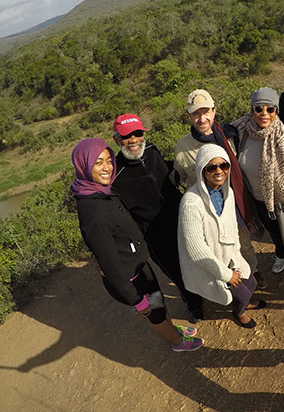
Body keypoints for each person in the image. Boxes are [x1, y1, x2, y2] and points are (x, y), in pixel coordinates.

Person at [71, 138, 203, 352]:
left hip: (137, 265)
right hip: (131, 277)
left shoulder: (98, 191)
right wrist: (135, 299)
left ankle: (173, 329)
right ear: (84, 166)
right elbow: (109, 264)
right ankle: (177, 342)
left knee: (159, 301)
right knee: (154, 311)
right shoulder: (92, 210)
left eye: (108, 160)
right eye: (98, 163)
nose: (106, 168)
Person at [112, 113, 205, 323]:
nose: (134, 140)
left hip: (182, 216)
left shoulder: (152, 151)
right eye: (127, 136)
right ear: (117, 140)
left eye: (138, 133)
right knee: (177, 270)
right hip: (156, 233)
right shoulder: (116, 175)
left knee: (199, 255)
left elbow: (166, 173)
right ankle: (194, 304)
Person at [173, 89, 264, 290]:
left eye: (206, 112)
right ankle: (226, 282)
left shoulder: (229, 135)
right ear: (188, 116)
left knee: (243, 241)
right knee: (218, 247)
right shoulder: (183, 147)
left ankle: (252, 272)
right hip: (208, 208)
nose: (202, 118)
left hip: (234, 199)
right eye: (196, 113)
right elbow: (180, 177)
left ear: (214, 111)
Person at [178, 144, 265, 328]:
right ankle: (239, 311)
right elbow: (196, 250)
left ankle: (244, 303)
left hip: (230, 257)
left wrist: (237, 258)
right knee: (242, 293)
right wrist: (226, 275)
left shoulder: (228, 192)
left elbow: (232, 227)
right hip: (211, 263)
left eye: (223, 166)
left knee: (251, 283)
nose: (219, 171)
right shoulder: (191, 203)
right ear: (202, 170)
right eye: (211, 167)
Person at [232, 87, 284, 280]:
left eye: (270, 109)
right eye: (259, 109)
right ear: (252, 110)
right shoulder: (243, 134)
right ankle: (281, 256)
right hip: (258, 198)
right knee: (273, 232)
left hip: (283, 200)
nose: (264, 114)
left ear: (276, 110)